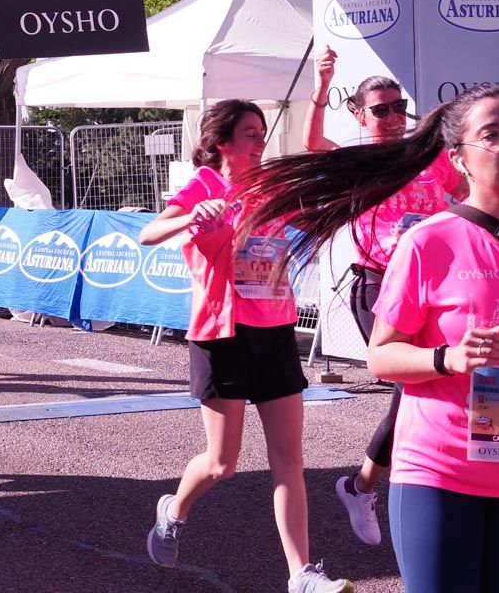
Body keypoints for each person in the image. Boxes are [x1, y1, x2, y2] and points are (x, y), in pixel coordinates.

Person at [240, 83, 499, 593]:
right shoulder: (429, 242)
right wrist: (448, 357)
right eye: (494, 134)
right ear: (459, 159)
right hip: (442, 473)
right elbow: (382, 357)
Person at [138, 100, 351, 593]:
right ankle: (174, 508)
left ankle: (301, 576)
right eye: (251, 133)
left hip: (276, 332)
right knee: (222, 463)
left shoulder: (272, 187)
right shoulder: (205, 185)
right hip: (223, 334)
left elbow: (313, 224)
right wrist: (193, 215)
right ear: (222, 143)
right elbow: (150, 233)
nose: (261, 141)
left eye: (261, 133)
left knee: (288, 462)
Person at [305, 46, 465, 545]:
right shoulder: (359, 159)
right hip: (378, 282)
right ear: (359, 114)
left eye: (399, 107)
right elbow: (313, 145)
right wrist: (319, 87)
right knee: (409, 384)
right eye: (381, 109)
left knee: (431, 387)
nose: (394, 117)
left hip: (433, 286)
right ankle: (391, 492)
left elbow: (466, 191)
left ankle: (362, 486)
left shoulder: (428, 156)